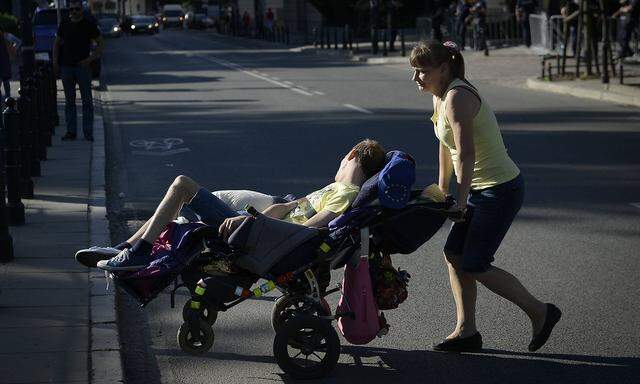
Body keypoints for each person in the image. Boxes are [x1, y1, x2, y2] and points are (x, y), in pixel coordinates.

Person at [409, 41, 561, 352]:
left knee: (475, 263)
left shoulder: (457, 97)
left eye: (422, 71)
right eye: (414, 71)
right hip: (479, 188)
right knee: (454, 254)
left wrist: (461, 203)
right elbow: (446, 145)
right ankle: (467, 331)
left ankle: (541, 312)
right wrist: (442, 192)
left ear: (443, 69)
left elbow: (465, 153)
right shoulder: (440, 97)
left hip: (499, 189)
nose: (416, 78)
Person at [94, 139, 386, 271]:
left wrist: (253, 222)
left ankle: (137, 252)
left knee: (183, 184)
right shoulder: (335, 189)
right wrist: (270, 212)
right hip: (260, 227)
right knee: (182, 202)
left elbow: (309, 229)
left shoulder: (344, 192)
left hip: (261, 237)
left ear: (350, 155)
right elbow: (289, 211)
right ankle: (128, 248)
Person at [52, 0, 103, 142]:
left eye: (77, 9)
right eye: (72, 9)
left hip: (83, 67)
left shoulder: (89, 25)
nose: (74, 12)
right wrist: (55, 62)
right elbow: (56, 44)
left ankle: (88, 132)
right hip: (66, 66)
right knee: (70, 101)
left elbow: (100, 44)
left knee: (87, 101)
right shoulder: (64, 24)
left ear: (82, 10)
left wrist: (90, 59)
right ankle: (71, 132)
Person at [0, 27, 15, 102]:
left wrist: (12, 51)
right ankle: (7, 97)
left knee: (5, 81)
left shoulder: (5, 38)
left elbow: (11, 49)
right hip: (4, 62)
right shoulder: (5, 38)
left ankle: (8, 98)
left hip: (4, 62)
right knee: (5, 81)